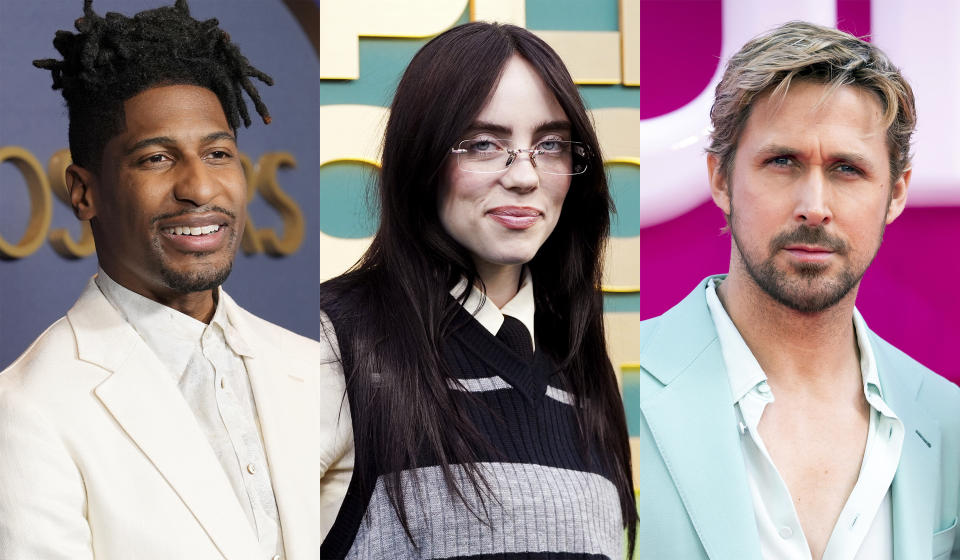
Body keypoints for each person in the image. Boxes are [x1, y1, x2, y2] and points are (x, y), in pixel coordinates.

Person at [0, 1, 351, 558]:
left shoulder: (317, 370)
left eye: (217, 153)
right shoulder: (26, 411)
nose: (200, 187)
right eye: (156, 158)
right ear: (83, 192)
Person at [628, 21, 960, 560]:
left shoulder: (949, 422)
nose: (814, 204)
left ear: (895, 194)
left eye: (847, 169)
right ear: (720, 178)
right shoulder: (616, 381)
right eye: (783, 162)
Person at [317, 22, 637, 560]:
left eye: (551, 145)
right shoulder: (333, 340)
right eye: (484, 144)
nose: (524, 177)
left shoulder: (580, 367)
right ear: (423, 158)